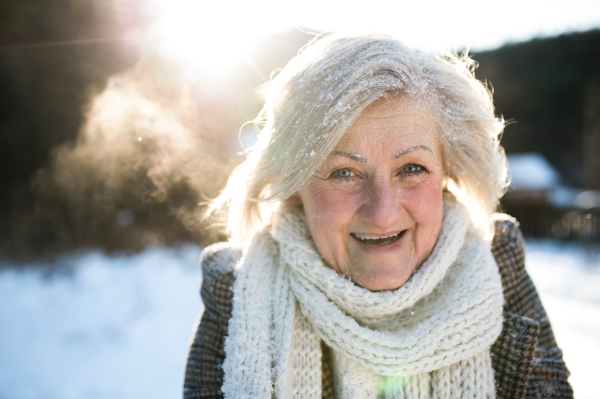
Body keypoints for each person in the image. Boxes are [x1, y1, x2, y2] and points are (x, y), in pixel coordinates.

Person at [183, 33, 573, 399]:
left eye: (412, 168)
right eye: (343, 173)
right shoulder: (236, 288)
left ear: (445, 173)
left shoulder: (498, 263)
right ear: (294, 188)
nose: (383, 213)